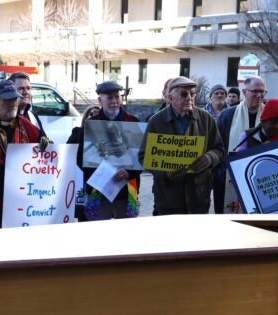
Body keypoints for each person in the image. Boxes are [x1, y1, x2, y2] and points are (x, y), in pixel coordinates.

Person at [139, 76, 224, 215]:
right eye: (184, 94)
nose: (189, 98)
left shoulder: (206, 119)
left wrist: (209, 158)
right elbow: (144, 157)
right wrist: (166, 173)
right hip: (168, 198)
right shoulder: (156, 121)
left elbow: (219, 150)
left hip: (199, 197)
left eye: (192, 94)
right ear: (171, 98)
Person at [0, 80, 43, 228]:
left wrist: (46, 147)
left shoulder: (30, 129)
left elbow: (46, 162)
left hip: (24, 203)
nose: (13, 103)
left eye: (15, 98)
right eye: (7, 99)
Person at [75, 81, 141, 220]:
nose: (114, 101)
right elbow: (80, 159)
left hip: (126, 190)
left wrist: (128, 172)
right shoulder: (90, 125)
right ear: (100, 100)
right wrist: (105, 173)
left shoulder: (133, 122)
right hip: (98, 190)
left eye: (117, 97)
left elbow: (141, 157)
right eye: (109, 97)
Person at [216, 76, 267, 213]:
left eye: (263, 92)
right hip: (229, 176)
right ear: (244, 92)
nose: (259, 95)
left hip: (260, 177)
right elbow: (217, 145)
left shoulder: (269, 117)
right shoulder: (228, 115)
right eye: (255, 91)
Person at [8, 71, 46, 137]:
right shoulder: (4, 117)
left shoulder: (33, 116)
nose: (26, 92)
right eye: (21, 88)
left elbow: (44, 141)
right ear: (10, 92)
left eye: (28, 88)